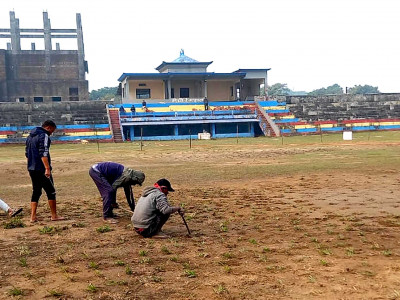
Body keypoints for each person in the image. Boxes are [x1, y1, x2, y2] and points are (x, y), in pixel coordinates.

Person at [25, 120, 64, 222]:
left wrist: (30, 166)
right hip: (41, 169)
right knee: (51, 191)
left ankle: (32, 217)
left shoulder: (30, 136)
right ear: (48, 127)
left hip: (32, 168)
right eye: (52, 131)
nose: (51, 133)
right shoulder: (44, 135)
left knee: (36, 191)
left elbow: (27, 154)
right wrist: (47, 168)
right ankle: (54, 216)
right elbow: (44, 152)